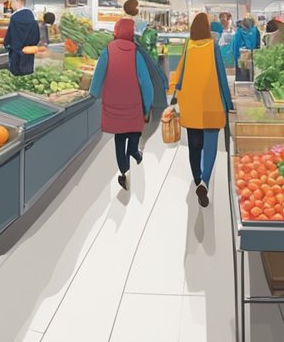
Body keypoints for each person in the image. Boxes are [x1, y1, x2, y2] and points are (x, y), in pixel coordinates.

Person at [170, 12, 234, 207]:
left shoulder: (187, 46)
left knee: (194, 144)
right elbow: (221, 75)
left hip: (191, 103)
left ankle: (196, 178)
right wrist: (228, 103)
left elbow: (180, 72)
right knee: (211, 143)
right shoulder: (212, 46)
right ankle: (205, 181)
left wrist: (175, 95)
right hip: (211, 101)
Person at [89, 18, 154, 191]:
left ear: (116, 31)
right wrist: (147, 106)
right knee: (134, 131)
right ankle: (134, 152)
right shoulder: (136, 53)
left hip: (113, 105)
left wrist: (93, 93)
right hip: (133, 105)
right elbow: (146, 83)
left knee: (119, 138)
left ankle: (124, 172)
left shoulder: (107, 51)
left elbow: (98, 75)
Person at [3, 0, 40, 76]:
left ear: (19, 1)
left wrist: (6, 44)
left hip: (16, 51)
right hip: (28, 51)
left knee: (16, 75)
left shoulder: (14, 18)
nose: (12, 4)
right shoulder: (32, 17)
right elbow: (36, 35)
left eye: (13, 2)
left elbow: (10, 34)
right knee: (27, 75)